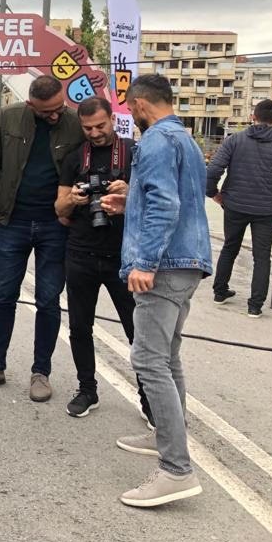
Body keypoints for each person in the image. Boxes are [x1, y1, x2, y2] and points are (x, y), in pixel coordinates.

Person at [96, 75, 211, 507]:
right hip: (188, 261)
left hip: (164, 266)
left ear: (141, 104)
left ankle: (176, 469)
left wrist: (145, 262)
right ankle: (165, 434)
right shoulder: (185, 138)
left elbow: (166, 204)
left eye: (130, 108)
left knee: (148, 359)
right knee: (168, 357)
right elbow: (176, 198)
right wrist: (131, 201)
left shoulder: (156, 142)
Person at [0, 75, 83, 401]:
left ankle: (41, 373)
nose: (55, 115)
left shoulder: (74, 123)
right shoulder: (9, 118)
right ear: (32, 105)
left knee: (48, 299)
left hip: (56, 226)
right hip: (13, 222)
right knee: (4, 294)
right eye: (48, 111)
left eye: (59, 108)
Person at [55, 97, 150, 421]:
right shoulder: (73, 158)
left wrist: (131, 189)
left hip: (123, 256)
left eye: (100, 125)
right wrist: (74, 199)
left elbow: (157, 201)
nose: (95, 133)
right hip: (80, 253)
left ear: (112, 119)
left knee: (136, 330)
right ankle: (87, 389)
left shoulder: (134, 154)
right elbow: (59, 209)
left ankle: (149, 399)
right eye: (87, 128)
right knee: (80, 328)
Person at [206, 98, 272, 317]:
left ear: (253, 116)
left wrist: (213, 193)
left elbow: (213, 169)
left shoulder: (236, 140)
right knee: (261, 257)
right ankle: (255, 306)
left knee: (230, 247)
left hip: (234, 205)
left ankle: (220, 292)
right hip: (267, 210)